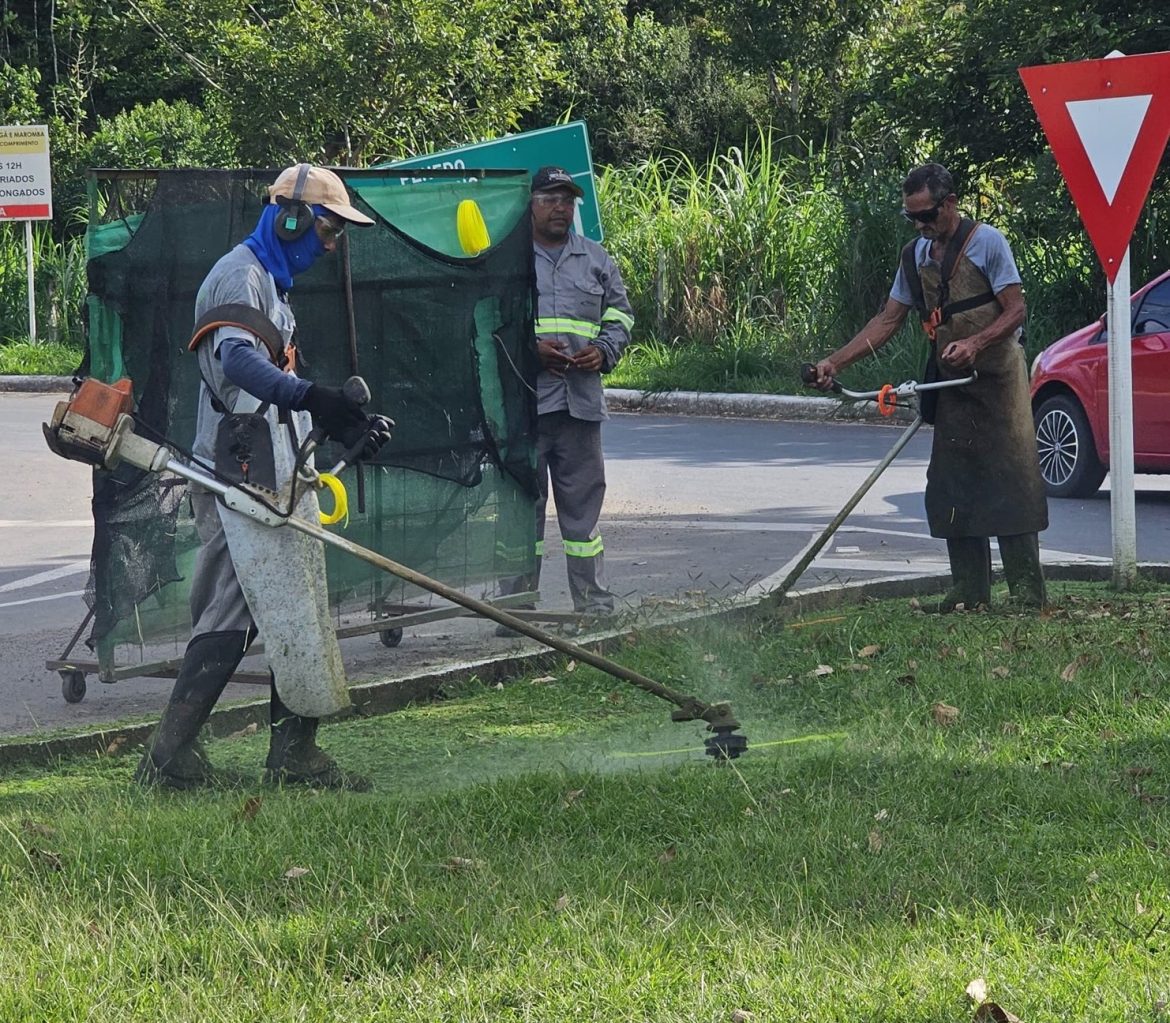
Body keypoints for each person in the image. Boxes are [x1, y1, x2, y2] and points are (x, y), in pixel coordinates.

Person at [135, 163, 390, 790]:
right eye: (328, 232)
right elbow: (240, 362)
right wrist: (311, 396)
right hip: (235, 471)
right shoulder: (240, 275)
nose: (330, 246)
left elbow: (278, 386)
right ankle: (170, 760)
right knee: (236, 605)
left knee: (284, 598)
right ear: (292, 217)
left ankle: (288, 756)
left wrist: (337, 418)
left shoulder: (272, 285)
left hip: (267, 464)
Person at [811, 163, 1048, 610]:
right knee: (952, 484)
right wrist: (833, 361)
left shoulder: (988, 243)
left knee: (1011, 478)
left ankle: (1026, 590)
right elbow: (887, 321)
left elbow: (1015, 311)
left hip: (998, 380)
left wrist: (977, 342)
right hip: (951, 383)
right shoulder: (914, 257)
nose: (921, 226)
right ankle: (969, 590)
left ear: (950, 203)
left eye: (927, 216)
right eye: (912, 218)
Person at [496, 166, 635, 634]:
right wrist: (527, 350)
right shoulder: (507, 260)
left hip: (579, 406)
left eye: (567, 199)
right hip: (524, 406)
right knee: (521, 512)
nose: (561, 207)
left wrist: (607, 349)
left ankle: (593, 607)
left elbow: (620, 314)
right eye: (550, 198)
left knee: (582, 515)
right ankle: (515, 611)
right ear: (530, 204)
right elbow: (485, 323)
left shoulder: (595, 259)